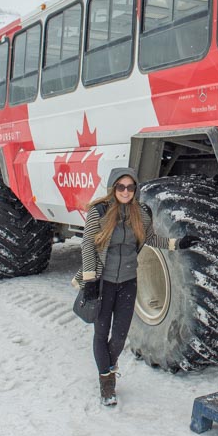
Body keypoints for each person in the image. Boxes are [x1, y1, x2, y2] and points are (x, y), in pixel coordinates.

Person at [72, 167, 196, 406]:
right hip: (102, 283)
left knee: (119, 336)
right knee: (101, 332)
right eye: (121, 187)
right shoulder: (99, 212)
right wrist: (89, 281)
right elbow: (87, 246)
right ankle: (106, 382)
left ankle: (109, 364)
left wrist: (178, 243)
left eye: (130, 187)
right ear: (113, 188)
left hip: (128, 282)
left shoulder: (142, 213)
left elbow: (150, 239)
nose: (126, 191)